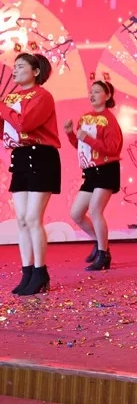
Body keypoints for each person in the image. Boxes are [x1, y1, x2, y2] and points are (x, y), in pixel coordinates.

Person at [0, 53, 61, 296]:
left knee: (34, 218)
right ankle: (27, 272)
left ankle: (40, 272)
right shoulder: (11, 98)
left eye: (21, 66)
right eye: (14, 67)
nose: (15, 71)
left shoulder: (42, 96)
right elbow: (8, 130)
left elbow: (25, 124)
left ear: (35, 72)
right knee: (22, 220)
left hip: (42, 156)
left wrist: (3, 108)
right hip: (20, 157)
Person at [65, 80, 123, 272]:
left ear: (107, 96)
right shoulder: (85, 118)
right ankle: (100, 244)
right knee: (76, 213)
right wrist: (70, 134)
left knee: (95, 210)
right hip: (90, 172)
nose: (92, 95)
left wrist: (87, 138)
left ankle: (103, 254)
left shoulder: (109, 120)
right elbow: (80, 146)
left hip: (106, 169)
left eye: (97, 91)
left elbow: (112, 148)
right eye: (91, 91)